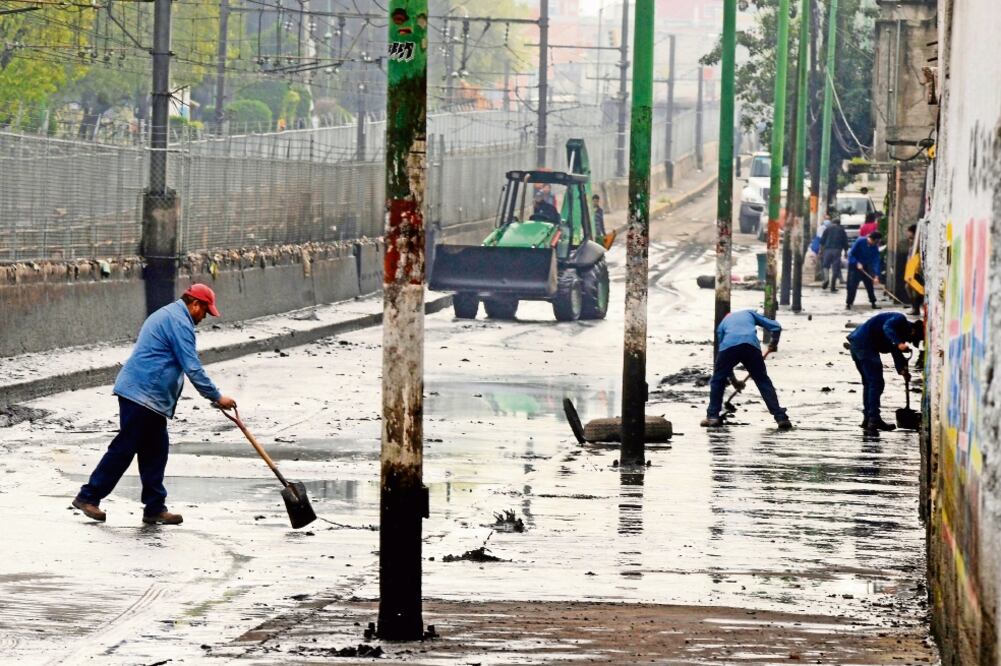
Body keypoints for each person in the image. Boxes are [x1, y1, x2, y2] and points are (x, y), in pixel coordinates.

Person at [72, 284, 238, 525]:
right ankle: (88, 496)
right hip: (142, 395)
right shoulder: (179, 323)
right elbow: (192, 366)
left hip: (148, 397)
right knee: (125, 448)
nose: (204, 317)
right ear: (195, 304)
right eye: (205, 311)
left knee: (155, 451)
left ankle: (155, 507)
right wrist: (216, 396)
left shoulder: (170, 314)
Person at [702, 309, 792, 430]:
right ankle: (781, 418)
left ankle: (713, 417)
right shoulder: (750, 313)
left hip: (729, 348)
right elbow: (776, 327)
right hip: (751, 347)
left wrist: (733, 381)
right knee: (762, 381)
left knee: (717, 380)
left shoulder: (722, 324)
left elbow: (723, 354)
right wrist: (773, 343)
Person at [847, 313, 924, 433]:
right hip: (865, 344)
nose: (909, 341)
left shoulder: (898, 335)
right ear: (913, 330)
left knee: (869, 384)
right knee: (876, 383)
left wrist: (902, 370)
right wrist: (899, 343)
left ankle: (868, 419)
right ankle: (874, 419)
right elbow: (887, 327)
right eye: (912, 339)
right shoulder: (900, 319)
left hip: (857, 344)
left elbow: (895, 351)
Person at [846, 231, 882, 310]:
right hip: (854, 266)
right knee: (852, 285)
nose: (877, 244)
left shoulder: (874, 247)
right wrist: (857, 263)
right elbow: (851, 254)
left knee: (869, 285)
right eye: (876, 242)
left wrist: (876, 275)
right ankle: (849, 303)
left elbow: (876, 260)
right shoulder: (860, 241)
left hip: (866, 266)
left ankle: (873, 302)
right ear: (872, 239)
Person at [819, 215, 850, 291]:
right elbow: (845, 242)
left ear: (832, 222)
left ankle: (826, 279)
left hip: (827, 250)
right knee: (835, 268)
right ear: (839, 223)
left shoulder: (828, 228)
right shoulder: (841, 230)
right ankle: (832, 287)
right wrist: (846, 252)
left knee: (825, 265)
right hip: (837, 251)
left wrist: (820, 251)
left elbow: (822, 240)